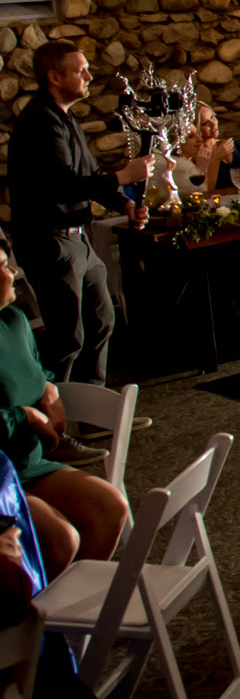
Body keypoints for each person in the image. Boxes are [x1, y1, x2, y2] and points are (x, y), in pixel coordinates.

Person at [5, 42, 151, 385]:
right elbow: (62, 185)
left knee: (101, 320)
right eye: (79, 70)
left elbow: (91, 171)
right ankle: (54, 422)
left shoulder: (64, 117)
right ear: (54, 76)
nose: (88, 75)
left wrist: (125, 203)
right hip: (50, 242)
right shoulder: (40, 121)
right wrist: (125, 176)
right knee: (66, 338)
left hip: (78, 239)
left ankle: (92, 412)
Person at [0, 245, 129, 573]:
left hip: (27, 462)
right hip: (1, 475)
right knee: (63, 539)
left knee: (111, 508)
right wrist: (25, 416)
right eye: (2, 267)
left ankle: (65, 617)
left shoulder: (14, 319)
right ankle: (36, 620)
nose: (13, 272)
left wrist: (48, 387)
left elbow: (34, 369)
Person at [177, 102, 240, 193]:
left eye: (212, 117)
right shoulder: (196, 159)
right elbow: (204, 190)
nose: (213, 124)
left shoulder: (231, 144)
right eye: (205, 123)